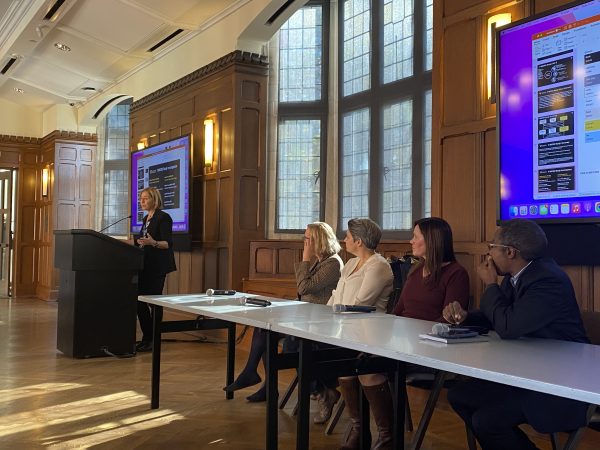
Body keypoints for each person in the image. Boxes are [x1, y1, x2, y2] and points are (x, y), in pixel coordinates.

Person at [443, 219, 589, 450]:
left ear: (510, 252)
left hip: (559, 383)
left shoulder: (547, 280)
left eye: (492, 246)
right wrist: (465, 316)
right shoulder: (517, 276)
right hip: (528, 371)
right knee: (460, 396)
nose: (488, 252)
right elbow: (500, 315)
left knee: (487, 421)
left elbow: (508, 326)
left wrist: (490, 285)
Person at [337, 217, 469, 450]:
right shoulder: (416, 272)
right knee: (348, 364)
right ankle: (360, 431)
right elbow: (397, 312)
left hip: (430, 348)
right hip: (403, 344)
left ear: (432, 240)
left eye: (416, 236)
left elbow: (448, 321)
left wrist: (410, 336)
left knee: (370, 370)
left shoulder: (456, 273)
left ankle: (388, 439)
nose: (411, 241)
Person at [224, 222, 343, 408]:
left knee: (274, 337)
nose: (304, 242)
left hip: (319, 322)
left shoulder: (333, 263)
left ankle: (257, 377)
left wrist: (304, 259)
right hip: (306, 316)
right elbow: (304, 292)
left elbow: (303, 288)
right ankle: (262, 382)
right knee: (263, 328)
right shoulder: (322, 261)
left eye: (307, 239)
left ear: (318, 240)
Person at [327, 218, 394, 450]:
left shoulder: (379, 265)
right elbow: (336, 297)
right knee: (343, 369)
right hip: (346, 332)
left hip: (372, 335)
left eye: (347, 236)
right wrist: (322, 318)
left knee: (355, 366)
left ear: (358, 241)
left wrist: (334, 318)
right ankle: (359, 429)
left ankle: (387, 437)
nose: (343, 239)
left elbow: (359, 303)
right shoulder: (350, 263)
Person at [135, 187, 177, 352]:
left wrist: (152, 243)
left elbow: (167, 243)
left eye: (145, 198)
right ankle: (148, 337)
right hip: (146, 265)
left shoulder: (163, 217)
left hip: (158, 267)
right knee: (139, 301)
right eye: (141, 199)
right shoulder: (146, 218)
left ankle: (152, 340)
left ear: (154, 199)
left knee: (153, 303)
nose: (142, 201)